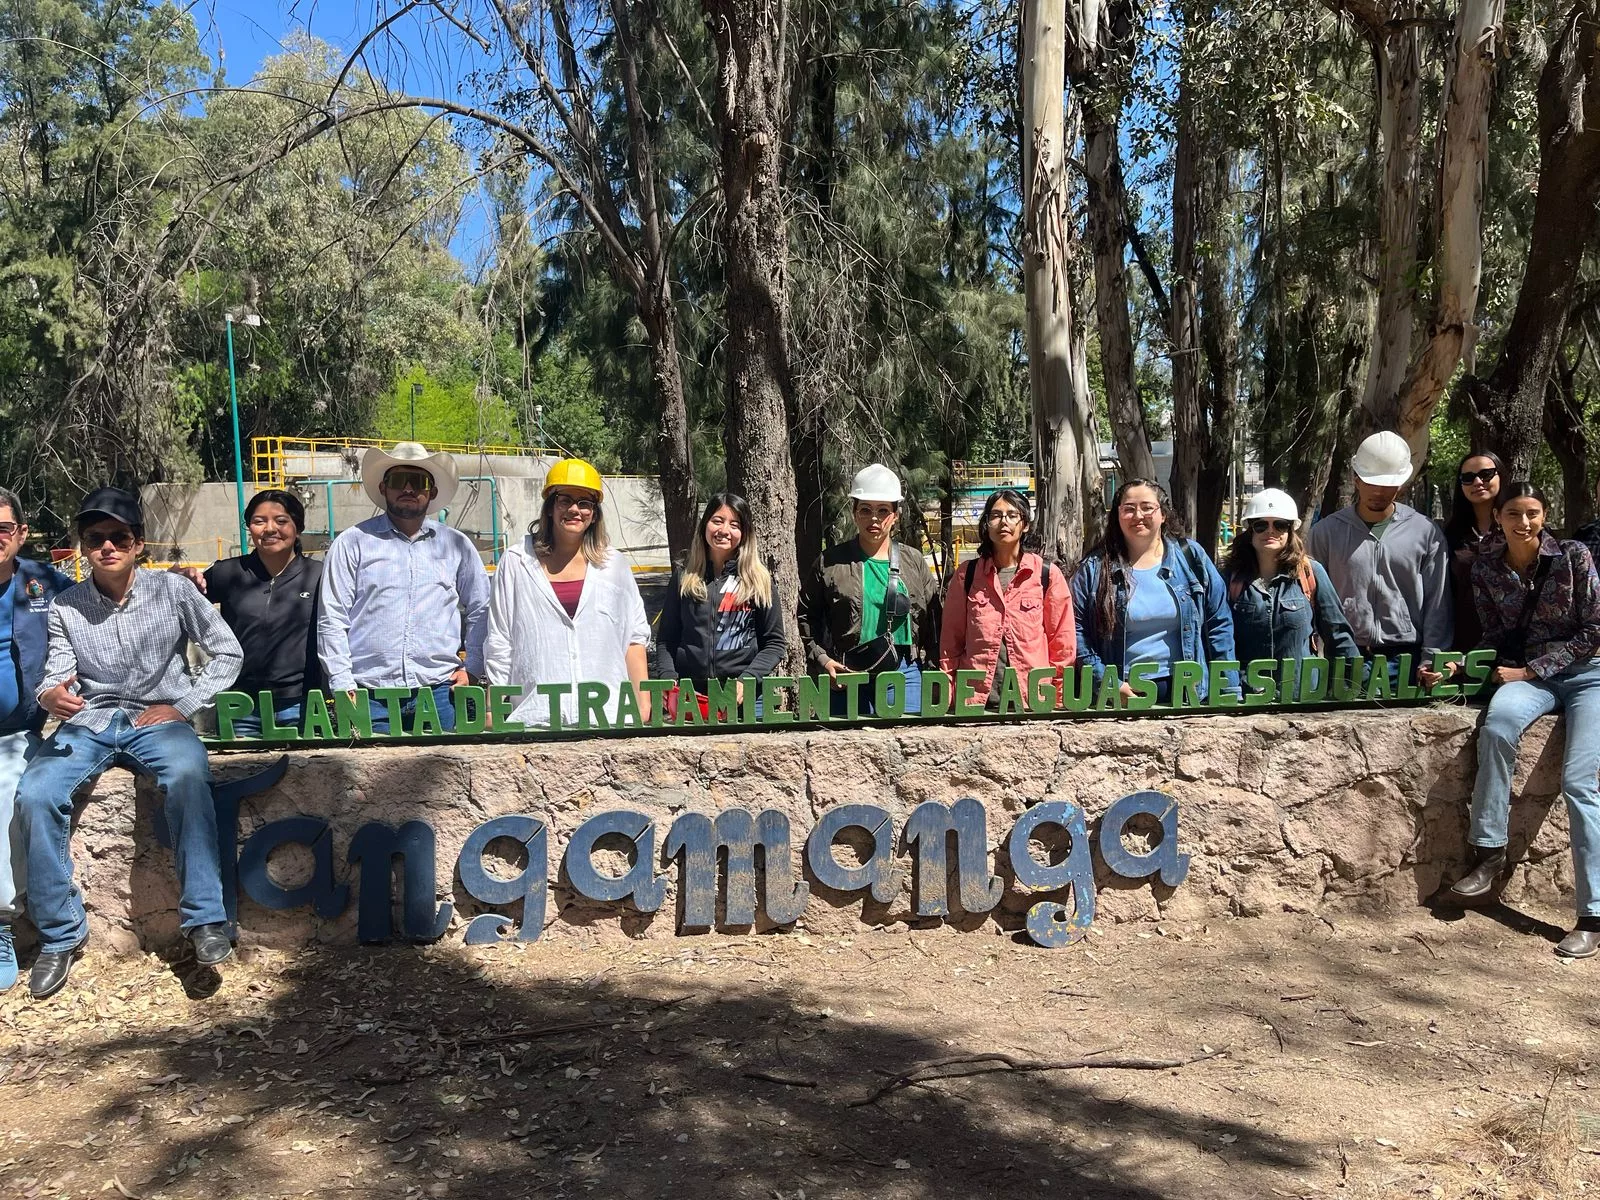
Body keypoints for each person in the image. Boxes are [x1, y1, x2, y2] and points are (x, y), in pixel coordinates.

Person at [17, 488, 243, 999]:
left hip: (158, 717)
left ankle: (204, 920)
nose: (107, 546)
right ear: (84, 547)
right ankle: (60, 934)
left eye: (119, 537)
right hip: (91, 721)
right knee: (36, 793)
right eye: (96, 538)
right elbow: (56, 671)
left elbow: (228, 653)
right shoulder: (65, 606)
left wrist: (183, 704)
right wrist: (52, 695)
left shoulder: (174, 591)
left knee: (187, 776)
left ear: (138, 543)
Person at [1426, 483, 1600, 959]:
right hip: (1533, 677)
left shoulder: (1573, 556)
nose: (1524, 523)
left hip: (1587, 675)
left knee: (1578, 783)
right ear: (1498, 517)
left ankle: (1591, 916)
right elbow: (1496, 636)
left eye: (1532, 513)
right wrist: (1459, 665)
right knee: (1498, 726)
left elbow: (1595, 628)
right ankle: (1489, 854)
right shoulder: (1487, 568)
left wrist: (1531, 670)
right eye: (1514, 514)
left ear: (1544, 515)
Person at [318, 443, 490, 733]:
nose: (408, 489)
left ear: (432, 492)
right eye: (399, 480)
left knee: (446, 764)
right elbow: (332, 617)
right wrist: (342, 681)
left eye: (419, 481)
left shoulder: (457, 545)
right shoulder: (352, 543)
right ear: (384, 488)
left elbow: (481, 608)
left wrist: (473, 667)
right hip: (368, 695)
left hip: (440, 693)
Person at [485, 459, 652, 727]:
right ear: (550, 508)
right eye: (565, 500)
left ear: (594, 514)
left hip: (608, 716)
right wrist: (493, 709)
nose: (574, 509)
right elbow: (500, 640)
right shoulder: (516, 562)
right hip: (537, 718)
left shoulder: (614, 566)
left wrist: (643, 704)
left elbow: (634, 637)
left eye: (584, 503)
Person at [1071, 479, 1238, 703]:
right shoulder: (1094, 568)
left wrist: (1228, 690)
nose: (1138, 515)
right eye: (1129, 509)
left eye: (1147, 507)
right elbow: (1076, 631)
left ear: (1163, 514)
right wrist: (1107, 684)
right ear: (1117, 515)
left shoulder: (1192, 558)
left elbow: (1219, 624)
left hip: (1187, 694)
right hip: (1121, 697)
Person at [173, 489, 322, 736]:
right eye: (259, 521)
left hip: (302, 705)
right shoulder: (227, 573)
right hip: (241, 708)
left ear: (298, 527)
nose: (270, 529)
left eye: (281, 521)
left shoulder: (319, 575)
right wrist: (176, 579)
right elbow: (176, 603)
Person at [0, 488, 73, 991]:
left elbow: (104, 599)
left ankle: (1, 924)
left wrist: (175, 579)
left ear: (21, 534)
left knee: (8, 792)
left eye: (2, 528)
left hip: (13, 733)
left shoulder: (43, 582)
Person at [1307, 431, 1452, 681]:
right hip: (1345, 656)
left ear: (1401, 484)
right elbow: (1312, 599)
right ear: (1356, 480)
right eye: (1371, 482)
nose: (1379, 491)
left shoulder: (1425, 532)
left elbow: (1437, 600)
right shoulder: (1326, 532)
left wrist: (1432, 657)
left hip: (1406, 660)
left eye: (1388, 484)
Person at [798, 464, 939, 715]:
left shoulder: (913, 562)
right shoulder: (830, 563)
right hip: (846, 670)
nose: (874, 518)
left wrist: (935, 668)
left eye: (883, 510)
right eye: (865, 510)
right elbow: (806, 616)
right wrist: (823, 660)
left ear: (895, 515)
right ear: (855, 513)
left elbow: (935, 621)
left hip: (903, 671)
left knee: (909, 736)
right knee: (845, 739)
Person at [939, 489, 1074, 709]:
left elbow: (1062, 641)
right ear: (987, 523)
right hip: (977, 701)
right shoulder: (967, 575)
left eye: (1012, 515)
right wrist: (950, 693)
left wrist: (1058, 697)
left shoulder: (1046, 574)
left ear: (1025, 524)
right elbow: (950, 642)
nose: (1004, 522)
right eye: (996, 515)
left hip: (1033, 701)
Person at [653, 493, 786, 716]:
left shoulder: (758, 580)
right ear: (705, 525)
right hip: (692, 697)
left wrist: (747, 680)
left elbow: (774, 643)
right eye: (717, 521)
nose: (724, 530)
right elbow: (666, 639)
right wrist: (668, 678)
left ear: (744, 533)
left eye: (734, 525)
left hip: (748, 699)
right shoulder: (684, 577)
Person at [1222, 488, 1359, 689]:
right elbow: (1218, 637)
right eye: (1260, 525)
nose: (1270, 531)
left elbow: (1338, 634)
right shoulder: (1230, 578)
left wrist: (1356, 686)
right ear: (1250, 530)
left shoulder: (1310, 573)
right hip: (1247, 697)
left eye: (1280, 525)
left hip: (1300, 696)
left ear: (1290, 530)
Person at [1439, 451, 1505, 652]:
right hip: (1464, 643)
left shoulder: (1520, 529)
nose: (1477, 482)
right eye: (1468, 478)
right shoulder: (1451, 534)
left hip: (1515, 644)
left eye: (1486, 474)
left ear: (1501, 476)